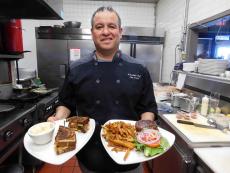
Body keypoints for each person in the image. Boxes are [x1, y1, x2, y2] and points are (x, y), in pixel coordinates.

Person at [48, 6, 158, 173]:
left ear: (120, 31)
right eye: (99, 27)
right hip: (91, 155)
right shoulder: (77, 68)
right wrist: (58, 118)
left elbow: (148, 108)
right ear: (92, 32)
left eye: (111, 26)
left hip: (130, 154)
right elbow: (66, 103)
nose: (106, 32)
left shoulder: (139, 68)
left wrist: (147, 130)